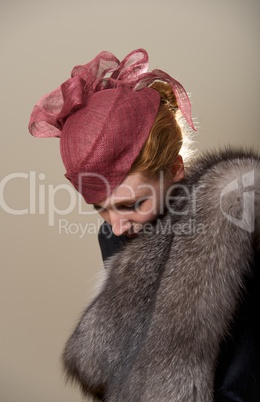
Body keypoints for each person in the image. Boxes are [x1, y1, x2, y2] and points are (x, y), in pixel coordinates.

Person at [29, 49, 260, 401]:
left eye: (132, 204)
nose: (117, 226)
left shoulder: (239, 227)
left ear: (176, 168)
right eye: (100, 208)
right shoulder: (115, 233)